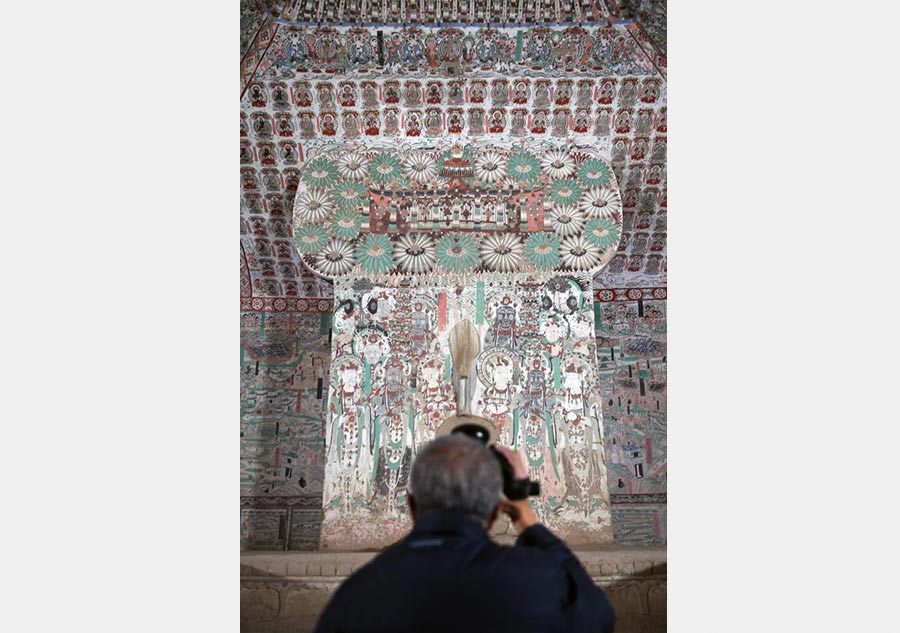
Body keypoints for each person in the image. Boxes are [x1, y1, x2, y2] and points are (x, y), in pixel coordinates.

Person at [313, 434, 615, 633]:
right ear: (496, 510)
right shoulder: (539, 580)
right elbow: (599, 618)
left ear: (411, 505)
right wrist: (525, 516)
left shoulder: (357, 594)